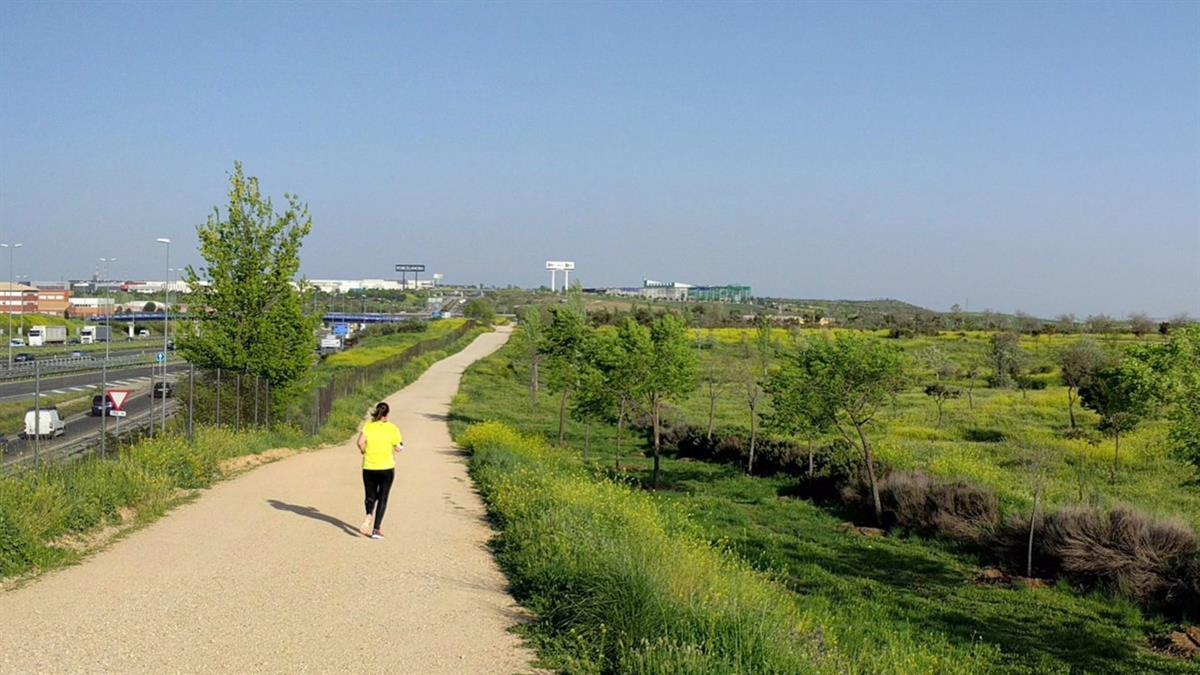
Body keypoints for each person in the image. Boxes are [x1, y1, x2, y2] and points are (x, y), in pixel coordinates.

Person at [356, 402, 404, 539]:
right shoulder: (393, 428)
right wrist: (398, 446)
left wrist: (364, 451)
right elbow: (398, 448)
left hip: (369, 467)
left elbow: (360, 442)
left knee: (370, 495)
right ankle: (376, 530)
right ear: (387, 414)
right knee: (383, 497)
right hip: (386, 468)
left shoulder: (368, 427)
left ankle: (368, 515)